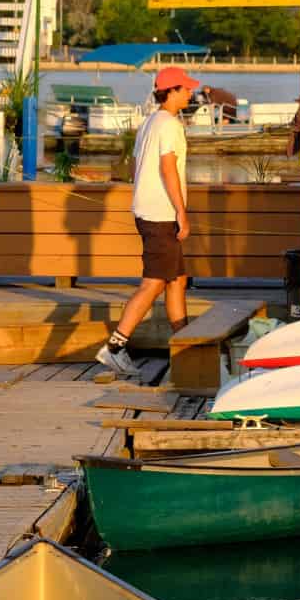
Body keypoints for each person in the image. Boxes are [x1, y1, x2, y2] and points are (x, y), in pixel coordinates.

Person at [97, 66, 195, 377]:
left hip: (147, 210)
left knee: (176, 279)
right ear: (172, 91)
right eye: (187, 89)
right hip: (161, 214)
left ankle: (184, 345)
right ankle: (114, 347)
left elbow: (137, 165)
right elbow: (168, 168)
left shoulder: (150, 122)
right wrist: (181, 211)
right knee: (154, 283)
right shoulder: (169, 125)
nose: (191, 93)